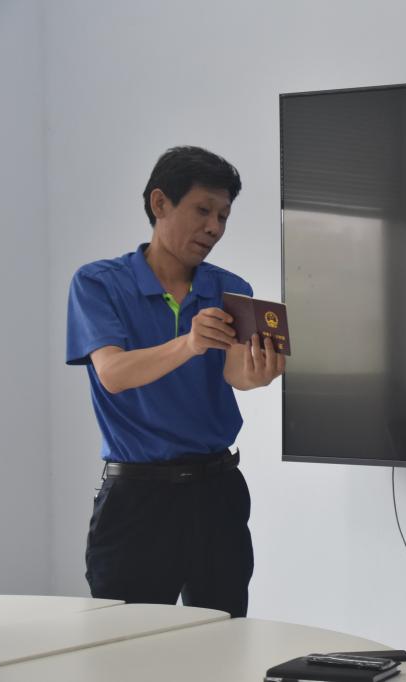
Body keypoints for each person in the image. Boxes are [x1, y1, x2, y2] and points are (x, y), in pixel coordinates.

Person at [66, 146, 285, 618]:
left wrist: (260, 373)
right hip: (137, 499)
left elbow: (235, 374)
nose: (214, 227)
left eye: (223, 216)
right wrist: (189, 343)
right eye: (203, 210)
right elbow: (113, 374)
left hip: (218, 491)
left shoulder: (231, 289)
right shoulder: (98, 283)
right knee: (127, 643)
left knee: (223, 636)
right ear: (160, 202)